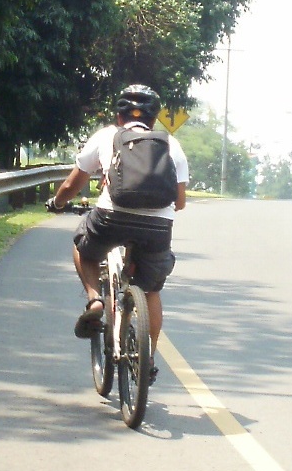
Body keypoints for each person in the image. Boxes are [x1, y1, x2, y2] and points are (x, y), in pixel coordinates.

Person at [47, 84, 189, 352]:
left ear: (119, 116)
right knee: (151, 292)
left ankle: (94, 301)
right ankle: (147, 359)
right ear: (154, 118)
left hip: (110, 218)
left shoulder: (106, 136)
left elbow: (71, 185)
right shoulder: (171, 144)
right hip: (158, 227)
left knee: (82, 246)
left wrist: (57, 203)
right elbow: (179, 202)